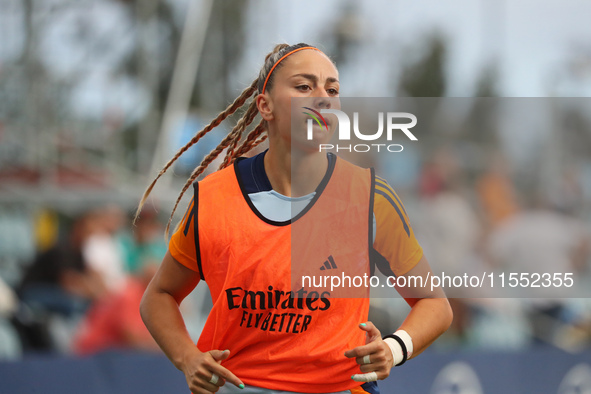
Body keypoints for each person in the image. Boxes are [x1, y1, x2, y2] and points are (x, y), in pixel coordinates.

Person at [137, 43, 453, 394]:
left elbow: (435, 304)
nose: (322, 98)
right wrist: (187, 358)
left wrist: (394, 350)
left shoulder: (369, 197)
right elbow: (159, 296)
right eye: (304, 86)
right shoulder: (214, 198)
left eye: (332, 90)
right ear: (265, 105)